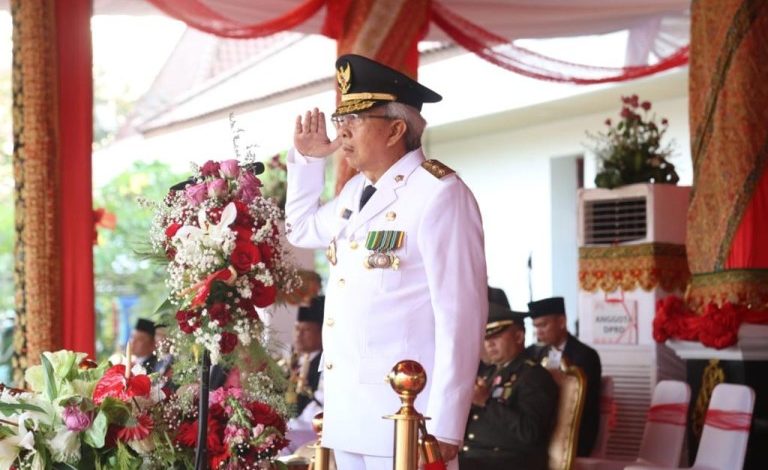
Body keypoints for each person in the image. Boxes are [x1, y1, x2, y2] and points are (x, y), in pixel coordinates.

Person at [285, 53, 487, 470]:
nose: (342, 132)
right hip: (347, 411)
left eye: (355, 120)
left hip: (407, 415)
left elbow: (461, 317)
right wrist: (307, 160)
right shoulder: (356, 191)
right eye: (341, 120)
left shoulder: (439, 194)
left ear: (396, 129)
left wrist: (447, 423)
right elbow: (301, 229)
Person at [460, 302, 558, 470]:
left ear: (518, 337)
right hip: (476, 457)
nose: (489, 343)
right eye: (486, 338)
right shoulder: (490, 373)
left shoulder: (533, 376)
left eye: (495, 337)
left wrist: (486, 402)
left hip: (509, 461)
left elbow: (529, 433)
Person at [526, 296, 602, 457]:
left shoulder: (586, 355)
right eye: (535, 327)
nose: (539, 332)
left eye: (544, 325)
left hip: (574, 431)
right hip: (539, 429)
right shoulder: (531, 353)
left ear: (561, 322)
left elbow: (587, 404)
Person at [286, 295, 325, 452]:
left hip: (313, 428)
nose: (299, 335)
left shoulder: (325, 364)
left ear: (321, 333)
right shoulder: (290, 362)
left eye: (306, 330)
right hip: (292, 426)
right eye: (297, 329)